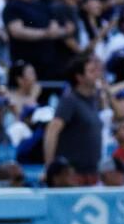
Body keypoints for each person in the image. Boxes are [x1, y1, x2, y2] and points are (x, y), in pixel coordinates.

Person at [43, 54, 104, 184]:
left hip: (92, 172)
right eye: (91, 71)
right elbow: (52, 131)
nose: (97, 75)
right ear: (79, 77)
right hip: (72, 175)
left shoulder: (94, 100)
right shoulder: (70, 100)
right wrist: (49, 166)